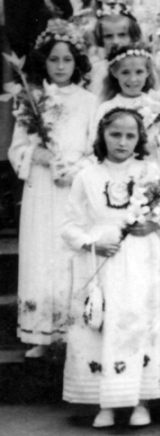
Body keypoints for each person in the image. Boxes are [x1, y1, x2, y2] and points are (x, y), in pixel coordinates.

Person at [61, 108, 160, 428]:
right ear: (102, 136)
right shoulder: (87, 176)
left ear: (140, 139)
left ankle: (141, 401)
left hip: (142, 258)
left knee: (140, 323)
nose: (122, 142)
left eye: (130, 136)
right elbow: (70, 224)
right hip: (104, 258)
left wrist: (154, 224)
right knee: (104, 323)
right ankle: (105, 403)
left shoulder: (150, 171)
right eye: (115, 134)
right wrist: (90, 243)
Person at [9, 27, 96, 359]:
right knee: (42, 252)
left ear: (78, 63)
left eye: (67, 60)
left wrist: (74, 169)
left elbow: (95, 148)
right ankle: (40, 333)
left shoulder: (89, 101)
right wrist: (37, 154)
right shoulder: (32, 100)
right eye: (54, 60)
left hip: (74, 185)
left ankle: (72, 332)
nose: (60, 66)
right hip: (42, 187)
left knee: (69, 252)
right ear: (43, 62)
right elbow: (18, 147)